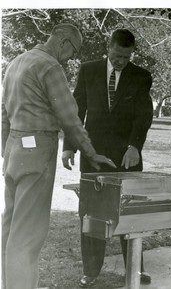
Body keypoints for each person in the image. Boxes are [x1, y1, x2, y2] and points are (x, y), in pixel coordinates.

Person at [1, 23, 116, 289]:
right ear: (63, 42)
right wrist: (91, 152)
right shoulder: (50, 67)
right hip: (37, 150)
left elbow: (3, 115)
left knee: (10, 232)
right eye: (73, 51)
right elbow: (70, 118)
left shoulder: (16, 63)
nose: (71, 57)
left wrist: (7, 152)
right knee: (27, 237)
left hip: (13, 152)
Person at [62, 29, 154, 288]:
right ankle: (91, 272)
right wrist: (69, 146)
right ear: (108, 47)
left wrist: (135, 145)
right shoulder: (88, 70)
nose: (121, 61)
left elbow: (143, 115)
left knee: (130, 214)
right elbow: (76, 110)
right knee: (92, 215)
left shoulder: (141, 77)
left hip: (128, 157)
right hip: (93, 155)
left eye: (126, 57)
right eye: (116, 55)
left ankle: (136, 269)